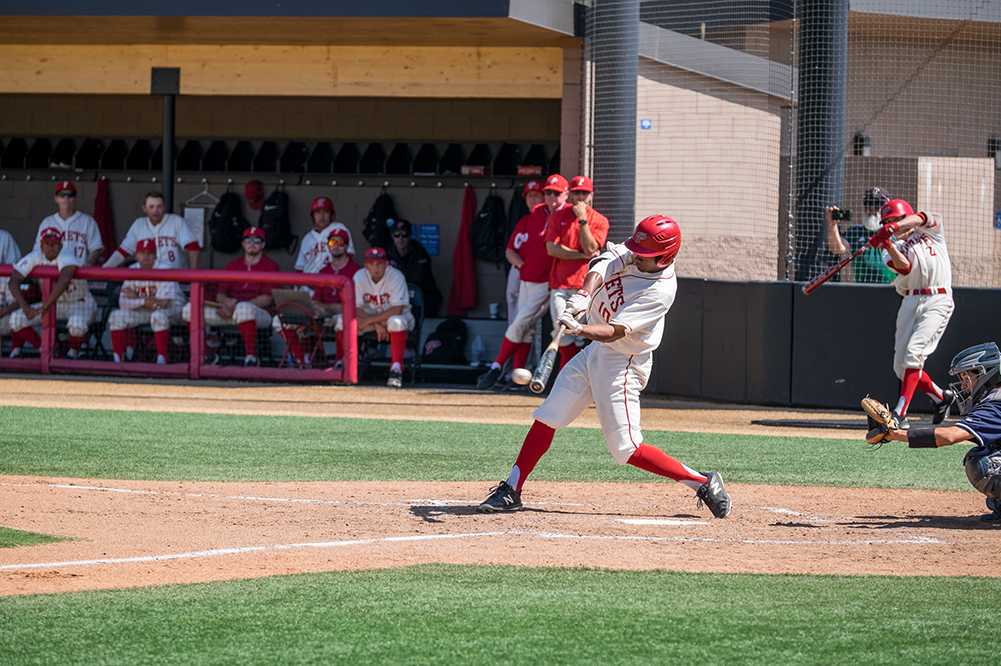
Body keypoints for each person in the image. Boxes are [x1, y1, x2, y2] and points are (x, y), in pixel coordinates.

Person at [478, 215, 731, 518]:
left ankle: (703, 481)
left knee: (626, 449)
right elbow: (602, 264)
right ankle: (512, 488)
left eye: (645, 255)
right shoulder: (637, 253)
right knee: (548, 416)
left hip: (622, 363)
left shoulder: (660, 291)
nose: (636, 256)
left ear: (665, 257)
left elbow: (616, 331)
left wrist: (578, 329)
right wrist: (583, 297)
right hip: (595, 353)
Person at [867, 342, 1001, 522]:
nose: (963, 385)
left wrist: (894, 434)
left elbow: (949, 436)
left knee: (983, 463)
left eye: (966, 376)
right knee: (990, 448)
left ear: (985, 373)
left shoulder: (994, 404)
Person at [869, 197, 955, 427]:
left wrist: (895, 227)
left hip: (937, 297)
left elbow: (922, 217)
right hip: (910, 300)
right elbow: (904, 267)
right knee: (901, 366)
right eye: (888, 220)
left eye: (896, 219)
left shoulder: (931, 230)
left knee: (914, 352)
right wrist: (886, 242)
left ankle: (899, 413)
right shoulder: (891, 247)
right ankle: (941, 397)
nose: (893, 224)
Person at [477, 175, 568, 390]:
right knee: (525, 329)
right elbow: (510, 250)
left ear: (564, 194)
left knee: (521, 322)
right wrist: (523, 267)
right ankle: (517, 377)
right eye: (540, 194)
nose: (541, 199)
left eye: (549, 193)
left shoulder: (565, 215)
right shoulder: (533, 216)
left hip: (549, 282)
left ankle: (496, 366)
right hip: (527, 279)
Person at [183, 226, 279, 366]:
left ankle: (251, 357)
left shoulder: (271, 266)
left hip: (258, 314)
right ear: (242, 244)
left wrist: (236, 305)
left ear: (263, 244)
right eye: (248, 240)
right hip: (228, 312)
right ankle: (205, 354)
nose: (252, 244)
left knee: (244, 308)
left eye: (257, 240)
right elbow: (220, 294)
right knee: (189, 309)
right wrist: (226, 303)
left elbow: (267, 299)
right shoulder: (233, 265)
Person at [545, 175, 609, 369]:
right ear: (569, 194)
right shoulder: (558, 216)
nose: (580, 196)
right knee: (561, 329)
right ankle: (566, 376)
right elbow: (552, 249)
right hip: (561, 284)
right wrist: (580, 256)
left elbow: (590, 249)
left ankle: (580, 377)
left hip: (585, 287)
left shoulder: (599, 220)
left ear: (591, 195)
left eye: (584, 193)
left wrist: (582, 220)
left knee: (580, 333)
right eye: (576, 192)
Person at [274, 228, 360, 367]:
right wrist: (317, 308)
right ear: (328, 246)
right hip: (323, 317)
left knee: (341, 320)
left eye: (340, 242)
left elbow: (352, 305)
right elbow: (317, 300)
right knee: (280, 320)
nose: (336, 246)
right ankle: (301, 361)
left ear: (346, 246)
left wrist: (326, 307)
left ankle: (341, 362)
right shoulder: (324, 271)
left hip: (345, 315)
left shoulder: (356, 270)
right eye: (333, 242)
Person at [330, 247, 414, 388]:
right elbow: (355, 307)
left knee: (396, 322)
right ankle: (342, 363)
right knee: (340, 321)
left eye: (380, 263)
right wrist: (375, 324)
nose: (376, 267)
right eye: (372, 263)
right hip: (370, 319)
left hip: (395, 317)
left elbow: (397, 309)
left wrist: (371, 321)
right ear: (366, 265)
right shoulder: (359, 276)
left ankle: (396, 369)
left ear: (386, 264)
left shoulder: (396, 276)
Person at [7, 228, 94, 359]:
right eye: (47, 243)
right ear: (41, 245)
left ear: (61, 244)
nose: (51, 247)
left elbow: (64, 279)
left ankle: (72, 352)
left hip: (79, 303)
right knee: (16, 320)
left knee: (77, 325)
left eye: (54, 243)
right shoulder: (35, 256)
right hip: (54, 304)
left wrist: (45, 306)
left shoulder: (67, 254)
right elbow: (13, 281)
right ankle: (45, 349)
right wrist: (26, 308)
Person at [108, 238, 186, 365]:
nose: (145, 256)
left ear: (155, 255)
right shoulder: (132, 270)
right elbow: (123, 303)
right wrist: (144, 301)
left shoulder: (164, 269)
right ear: (136, 255)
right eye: (142, 253)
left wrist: (136, 297)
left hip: (174, 310)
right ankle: (118, 360)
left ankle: (162, 359)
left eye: (149, 253)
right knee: (117, 316)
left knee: (158, 315)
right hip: (146, 309)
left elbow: (163, 303)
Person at [103, 192, 200, 269]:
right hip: (148, 277)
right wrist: (105, 268)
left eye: (159, 206)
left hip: (175, 278)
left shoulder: (176, 221)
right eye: (151, 207)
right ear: (144, 208)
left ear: (164, 207)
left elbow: (192, 247)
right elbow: (123, 251)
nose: (155, 211)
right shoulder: (139, 224)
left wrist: (192, 275)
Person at [824, 186, 895, 284]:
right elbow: (837, 249)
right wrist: (832, 225)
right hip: (862, 289)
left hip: (892, 290)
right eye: (868, 204)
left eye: (877, 205)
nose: (871, 209)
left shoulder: (895, 232)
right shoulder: (855, 232)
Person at [505, 180, 545, 332]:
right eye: (529, 196)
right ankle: (512, 338)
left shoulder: (550, 219)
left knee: (532, 318)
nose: (532, 199)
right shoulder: (524, 221)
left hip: (540, 276)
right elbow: (509, 251)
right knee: (513, 302)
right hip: (520, 269)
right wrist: (522, 266)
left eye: (536, 195)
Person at [35, 180, 104, 265]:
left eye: (70, 195)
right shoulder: (47, 222)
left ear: (75, 198)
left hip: (78, 274)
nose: (66, 198)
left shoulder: (88, 222)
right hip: (52, 273)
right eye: (62, 195)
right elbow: (38, 250)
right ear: (56, 198)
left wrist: (87, 266)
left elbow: (96, 249)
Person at [386, 218, 441, 316]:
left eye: (404, 235)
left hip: (419, 295)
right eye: (397, 235)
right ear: (392, 237)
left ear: (410, 236)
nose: (401, 239)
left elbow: (417, 280)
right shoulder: (387, 255)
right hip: (396, 297)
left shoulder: (420, 253)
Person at [294, 195, 355, 275]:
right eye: (318, 212)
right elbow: (299, 268)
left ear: (331, 215)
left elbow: (348, 258)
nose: (322, 216)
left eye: (326, 212)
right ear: (313, 216)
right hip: (308, 283)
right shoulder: (307, 239)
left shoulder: (339, 229)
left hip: (331, 280)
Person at [0, 228, 23, 344]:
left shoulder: (5, 275)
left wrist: (3, 311)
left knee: (18, 319)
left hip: (5, 316)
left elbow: (18, 302)